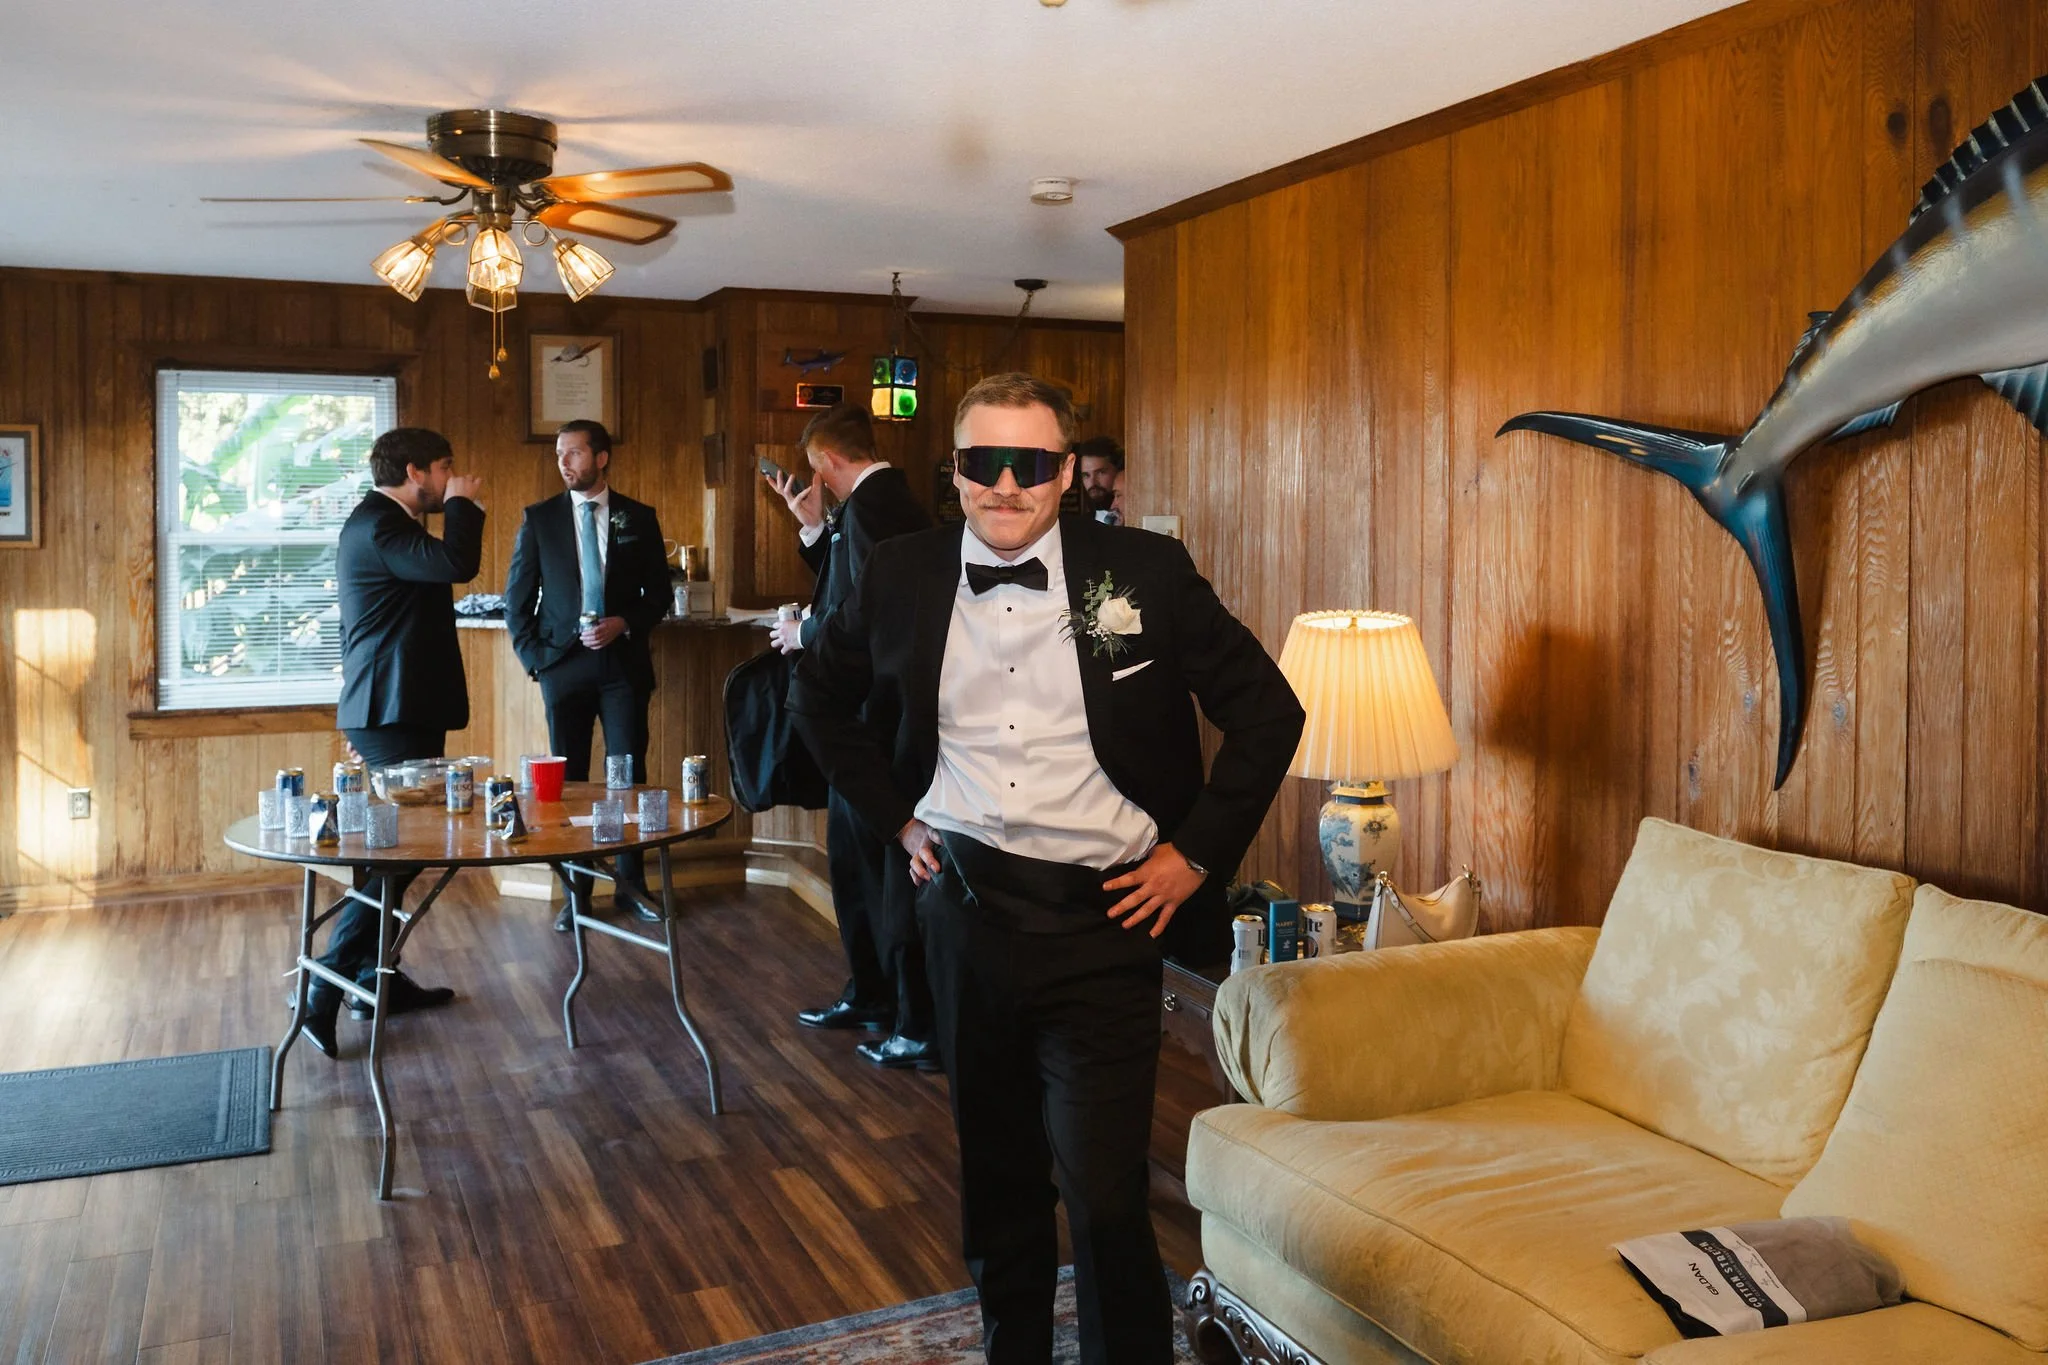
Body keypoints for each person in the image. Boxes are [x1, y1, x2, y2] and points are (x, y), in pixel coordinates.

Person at [791, 373, 1304, 1364]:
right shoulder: (897, 571)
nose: (1007, 486)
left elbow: (1267, 713)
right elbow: (817, 697)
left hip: (1108, 923)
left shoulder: (1142, 573)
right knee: (998, 1178)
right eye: (984, 464)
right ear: (953, 471)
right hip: (964, 915)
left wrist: (1194, 855)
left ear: (1065, 472)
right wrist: (896, 819)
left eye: (1031, 465)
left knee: (1105, 1193)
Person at [766, 402, 936, 1069]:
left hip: (872, 721)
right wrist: (814, 535)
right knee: (855, 863)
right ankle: (871, 992)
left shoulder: (870, 510)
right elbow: (854, 587)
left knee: (877, 872)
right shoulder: (885, 503)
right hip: (876, 718)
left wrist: (802, 634)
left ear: (825, 461)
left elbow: (864, 612)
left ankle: (898, 1009)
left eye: (817, 474)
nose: (818, 485)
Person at [313, 427, 484, 1059]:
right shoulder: (380, 525)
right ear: (415, 471)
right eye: (446, 468)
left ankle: (370, 981)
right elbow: (456, 564)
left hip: (399, 706)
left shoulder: (387, 525)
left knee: (391, 854)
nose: (452, 477)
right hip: (390, 709)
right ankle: (323, 984)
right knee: (397, 855)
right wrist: (467, 506)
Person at [504, 420, 673, 933]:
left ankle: (631, 886)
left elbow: (659, 595)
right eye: (560, 454)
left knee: (626, 776)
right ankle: (574, 894)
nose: (564, 462)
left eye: (574, 453)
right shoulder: (540, 519)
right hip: (562, 667)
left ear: (601, 458)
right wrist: (538, 660)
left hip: (621, 666)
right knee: (567, 784)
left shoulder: (637, 517)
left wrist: (626, 622)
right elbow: (517, 601)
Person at [1074, 435, 1124, 524]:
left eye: (1101, 472)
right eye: (1086, 475)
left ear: (1117, 470)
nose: (1092, 482)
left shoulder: (1134, 515)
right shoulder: (1080, 526)